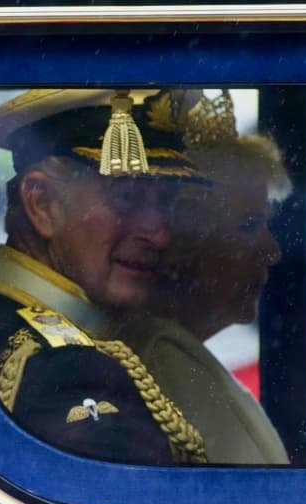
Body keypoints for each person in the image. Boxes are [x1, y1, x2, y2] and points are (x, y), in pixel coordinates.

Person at [0, 88, 208, 466]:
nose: (159, 233)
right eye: (127, 197)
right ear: (42, 204)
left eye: (166, 203)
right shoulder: (68, 372)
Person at [118, 91, 292, 465]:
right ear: (184, 239)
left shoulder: (176, 358)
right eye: (248, 226)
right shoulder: (163, 365)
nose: (272, 250)